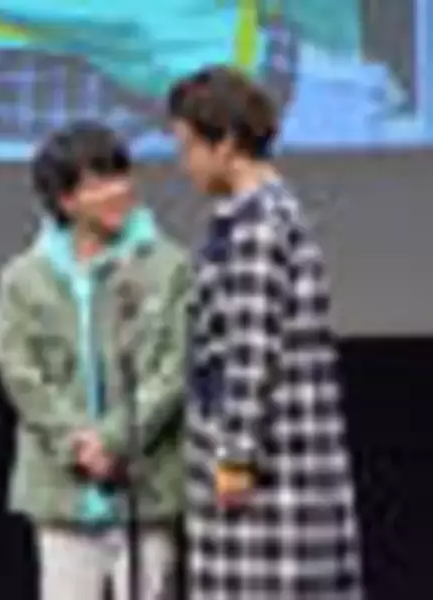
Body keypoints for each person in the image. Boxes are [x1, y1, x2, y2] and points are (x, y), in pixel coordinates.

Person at [167, 66, 363, 598]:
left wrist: (235, 457)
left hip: (270, 474)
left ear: (227, 143)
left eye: (189, 148)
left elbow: (250, 351)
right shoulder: (260, 214)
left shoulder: (257, 225)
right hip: (273, 462)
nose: (184, 165)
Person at [0, 121, 190, 600]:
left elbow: (175, 367)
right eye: (98, 183)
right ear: (65, 200)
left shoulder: (168, 266)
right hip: (62, 490)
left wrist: (112, 439)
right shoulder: (24, 278)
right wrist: (77, 442)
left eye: (121, 176)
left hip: (145, 487)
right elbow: (18, 369)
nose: (118, 191)